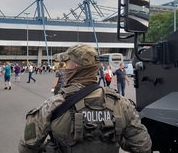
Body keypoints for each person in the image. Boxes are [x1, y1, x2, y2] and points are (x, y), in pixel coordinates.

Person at [18, 44, 151, 153]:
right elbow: (143, 147)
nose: (64, 68)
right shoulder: (122, 103)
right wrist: (115, 134)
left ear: (75, 67)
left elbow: (26, 147)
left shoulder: (53, 104)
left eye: (66, 64)